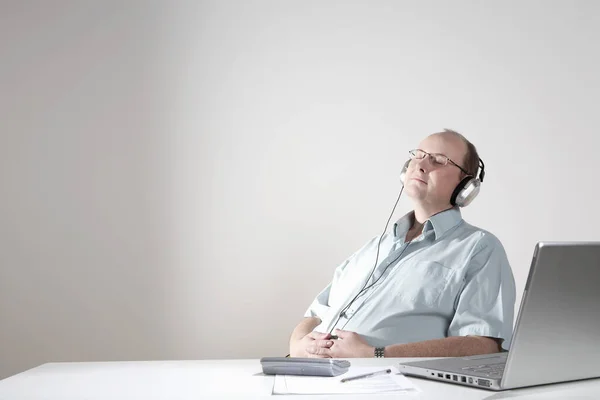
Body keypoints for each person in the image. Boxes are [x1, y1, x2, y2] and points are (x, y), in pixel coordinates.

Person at [289, 129, 516, 358]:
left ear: (466, 187)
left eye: (438, 160)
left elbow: (483, 345)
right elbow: (315, 314)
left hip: (384, 385)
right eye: (418, 155)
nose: (421, 164)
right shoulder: (374, 247)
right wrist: (297, 347)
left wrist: (375, 354)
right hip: (310, 378)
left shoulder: (479, 248)